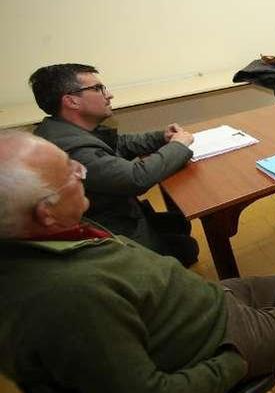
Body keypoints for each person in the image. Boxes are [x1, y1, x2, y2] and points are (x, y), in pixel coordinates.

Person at [0, 131, 275, 392]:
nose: (81, 171)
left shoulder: (47, 239)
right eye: (68, 172)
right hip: (216, 341)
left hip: (197, 305)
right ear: (45, 211)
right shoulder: (66, 300)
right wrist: (230, 365)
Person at [29, 64, 199, 266]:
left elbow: (120, 143)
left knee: (179, 224)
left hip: (117, 212)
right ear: (71, 100)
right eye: (98, 89)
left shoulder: (62, 129)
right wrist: (178, 145)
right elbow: (136, 178)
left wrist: (161, 137)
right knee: (187, 247)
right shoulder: (71, 149)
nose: (109, 95)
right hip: (111, 233)